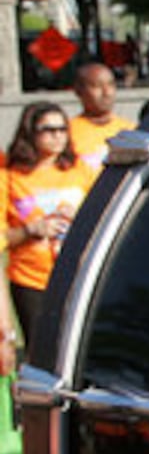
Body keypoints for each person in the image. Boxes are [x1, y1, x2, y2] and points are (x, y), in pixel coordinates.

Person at [5, 103, 99, 346]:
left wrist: (79, 217)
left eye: (62, 129)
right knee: (43, 349)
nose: (58, 136)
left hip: (79, 273)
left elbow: (103, 214)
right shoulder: (11, 177)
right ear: (30, 132)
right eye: (48, 129)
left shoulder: (80, 171)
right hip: (32, 280)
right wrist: (31, 230)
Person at [68, 62, 136, 173]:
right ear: (78, 91)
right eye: (97, 86)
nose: (107, 92)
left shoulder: (130, 131)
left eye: (111, 85)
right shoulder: (67, 133)